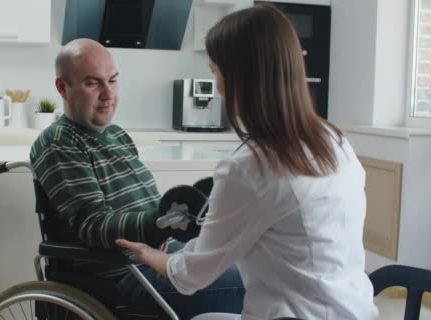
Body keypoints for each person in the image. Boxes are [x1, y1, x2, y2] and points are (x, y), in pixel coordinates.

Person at [116, 4, 379, 320]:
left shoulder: (250, 165)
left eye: (214, 70)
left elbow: (191, 276)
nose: (216, 85)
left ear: (239, 76)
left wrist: (149, 256)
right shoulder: (333, 140)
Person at [29, 38, 245, 319]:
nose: (108, 94)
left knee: (253, 263)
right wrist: (163, 222)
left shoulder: (117, 135)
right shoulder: (59, 143)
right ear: (62, 87)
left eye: (113, 80)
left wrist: (184, 215)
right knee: (249, 282)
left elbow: (150, 208)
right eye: (93, 83)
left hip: (160, 258)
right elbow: (94, 225)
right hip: (124, 276)